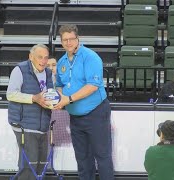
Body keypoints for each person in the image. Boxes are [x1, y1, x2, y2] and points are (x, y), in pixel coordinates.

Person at [54, 24, 114, 180]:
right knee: (82, 159)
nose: (68, 42)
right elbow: (59, 85)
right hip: (75, 116)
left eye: (71, 39)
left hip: (96, 113)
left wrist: (69, 99)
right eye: (65, 40)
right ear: (61, 41)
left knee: (102, 156)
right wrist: (60, 98)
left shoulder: (90, 57)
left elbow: (93, 86)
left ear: (78, 38)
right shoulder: (61, 62)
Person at [7, 44, 54, 180]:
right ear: (30, 57)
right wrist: (34, 98)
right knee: (29, 166)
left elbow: (49, 95)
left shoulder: (48, 73)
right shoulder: (19, 70)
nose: (44, 61)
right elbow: (11, 94)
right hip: (24, 125)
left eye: (46, 58)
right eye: (40, 57)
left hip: (42, 126)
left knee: (40, 166)